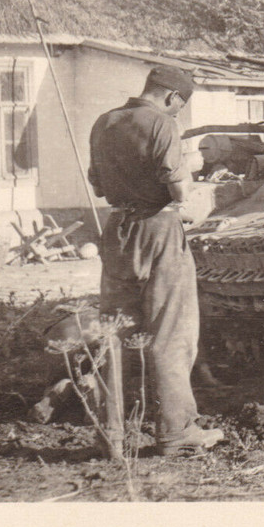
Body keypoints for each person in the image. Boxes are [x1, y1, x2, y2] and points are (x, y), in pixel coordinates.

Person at [87, 64, 223, 456]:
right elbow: (179, 191)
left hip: (117, 231)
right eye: (180, 105)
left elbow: (98, 184)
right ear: (171, 97)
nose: (178, 112)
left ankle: (109, 434)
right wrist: (191, 173)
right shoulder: (162, 124)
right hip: (158, 228)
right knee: (171, 332)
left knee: (113, 333)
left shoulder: (103, 122)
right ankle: (178, 431)